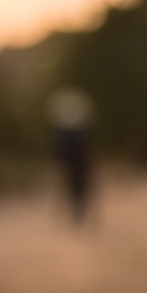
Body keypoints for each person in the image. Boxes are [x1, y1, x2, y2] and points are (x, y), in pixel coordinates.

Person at [47, 86, 96, 223]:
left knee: (75, 190)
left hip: (76, 165)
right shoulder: (72, 133)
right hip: (74, 165)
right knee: (74, 190)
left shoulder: (70, 133)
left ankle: (76, 214)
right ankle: (75, 214)